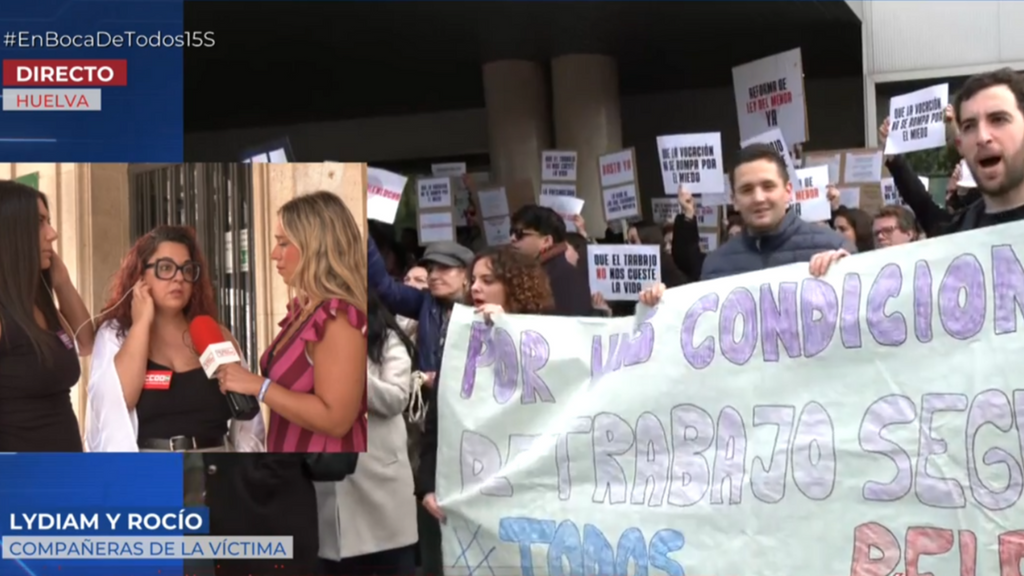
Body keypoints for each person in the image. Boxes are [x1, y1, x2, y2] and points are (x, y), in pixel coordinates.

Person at [87, 226, 264, 452]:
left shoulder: (212, 333)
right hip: (150, 468)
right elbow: (117, 406)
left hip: (217, 465)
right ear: (140, 276)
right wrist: (141, 323)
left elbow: (248, 417)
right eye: (166, 268)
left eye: (187, 270)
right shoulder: (116, 334)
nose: (178, 278)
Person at [217, 191, 368, 453]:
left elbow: (336, 420)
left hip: (330, 479)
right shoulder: (305, 310)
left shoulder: (338, 318)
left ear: (316, 247)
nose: (274, 254)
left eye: (283, 243)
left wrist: (258, 386)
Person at [418, 245, 554, 530]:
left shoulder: (549, 335)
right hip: (466, 489)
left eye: (488, 281)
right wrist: (428, 485)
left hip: (532, 493)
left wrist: (508, 329)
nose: (475, 287)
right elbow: (437, 420)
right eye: (474, 280)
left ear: (515, 286)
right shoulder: (461, 338)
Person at [367, 237, 473, 576]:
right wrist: (363, 233)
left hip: (473, 428)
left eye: (444, 268)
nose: (434, 275)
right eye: (430, 268)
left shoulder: (483, 309)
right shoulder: (425, 303)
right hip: (433, 424)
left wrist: (443, 380)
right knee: (431, 501)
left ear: (466, 275)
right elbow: (383, 286)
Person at [318, 288, 418, 576]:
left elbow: (397, 398)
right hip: (334, 475)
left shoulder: (388, 341)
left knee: (392, 561)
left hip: (381, 477)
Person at [0, 181, 95, 452]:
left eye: (49, 221)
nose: (52, 234)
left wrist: (62, 282)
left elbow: (86, 342)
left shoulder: (38, 301)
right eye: (40, 222)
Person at [698, 143, 854, 281]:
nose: (758, 198)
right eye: (746, 190)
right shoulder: (715, 266)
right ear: (734, 200)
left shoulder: (834, 248)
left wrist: (846, 270)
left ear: (788, 192)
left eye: (768, 186)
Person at [946, 67, 1024, 231]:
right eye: (969, 126)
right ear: (960, 146)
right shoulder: (952, 241)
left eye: (998, 119)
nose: (982, 137)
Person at [509, 204, 593, 316]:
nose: (512, 239)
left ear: (546, 241)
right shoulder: (535, 272)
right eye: (512, 232)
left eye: (519, 234)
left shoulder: (562, 275)